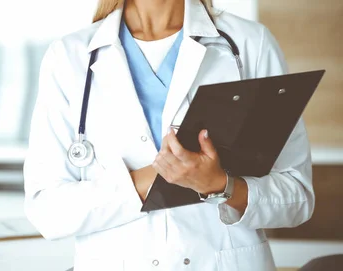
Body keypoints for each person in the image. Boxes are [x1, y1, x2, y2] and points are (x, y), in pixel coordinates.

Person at [23, 0, 315, 270]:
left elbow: (297, 197)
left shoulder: (250, 43)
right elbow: (48, 212)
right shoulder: (69, 56)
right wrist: (159, 176)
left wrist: (218, 184)